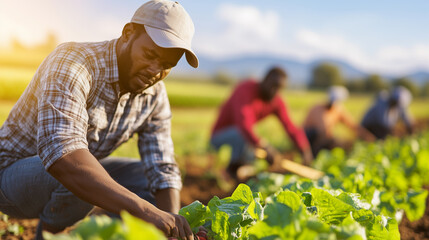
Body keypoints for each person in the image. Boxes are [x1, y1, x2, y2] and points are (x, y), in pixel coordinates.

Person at [0, 1, 198, 239]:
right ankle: (52, 234)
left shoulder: (155, 96)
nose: (155, 71)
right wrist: (145, 211)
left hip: (65, 180)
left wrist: (171, 223)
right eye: (149, 55)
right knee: (81, 169)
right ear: (128, 34)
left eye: (167, 66)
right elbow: (64, 156)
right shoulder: (73, 62)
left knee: (150, 181)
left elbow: (162, 166)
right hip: (10, 179)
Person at [210, 66, 313, 179]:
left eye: (278, 88)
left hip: (243, 139)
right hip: (220, 136)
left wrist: (304, 149)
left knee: (251, 144)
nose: (274, 91)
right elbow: (244, 124)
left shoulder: (276, 101)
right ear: (264, 81)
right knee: (243, 136)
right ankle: (232, 170)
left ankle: (245, 171)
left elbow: (290, 126)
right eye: (272, 86)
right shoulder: (245, 89)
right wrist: (265, 146)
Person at [303, 86, 375, 156]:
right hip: (309, 140)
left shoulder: (338, 109)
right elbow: (323, 132)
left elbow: (352, 125)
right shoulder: (317, 109)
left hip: (324, 140)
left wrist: (367, 137)